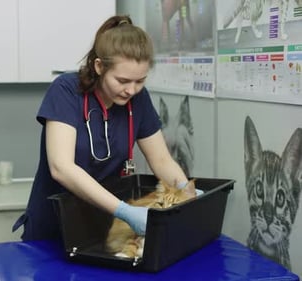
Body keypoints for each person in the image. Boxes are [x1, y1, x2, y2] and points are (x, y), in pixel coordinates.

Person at [12, 15, 196, 241]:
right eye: (122, 81)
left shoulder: (138, 100)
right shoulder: (66, 91)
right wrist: (125, 211)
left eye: (140, 81)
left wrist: (187, 191)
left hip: (104, 227)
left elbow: (161, 160)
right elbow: (61, 167)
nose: (131, 90)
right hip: (55, 228)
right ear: (99, 66)